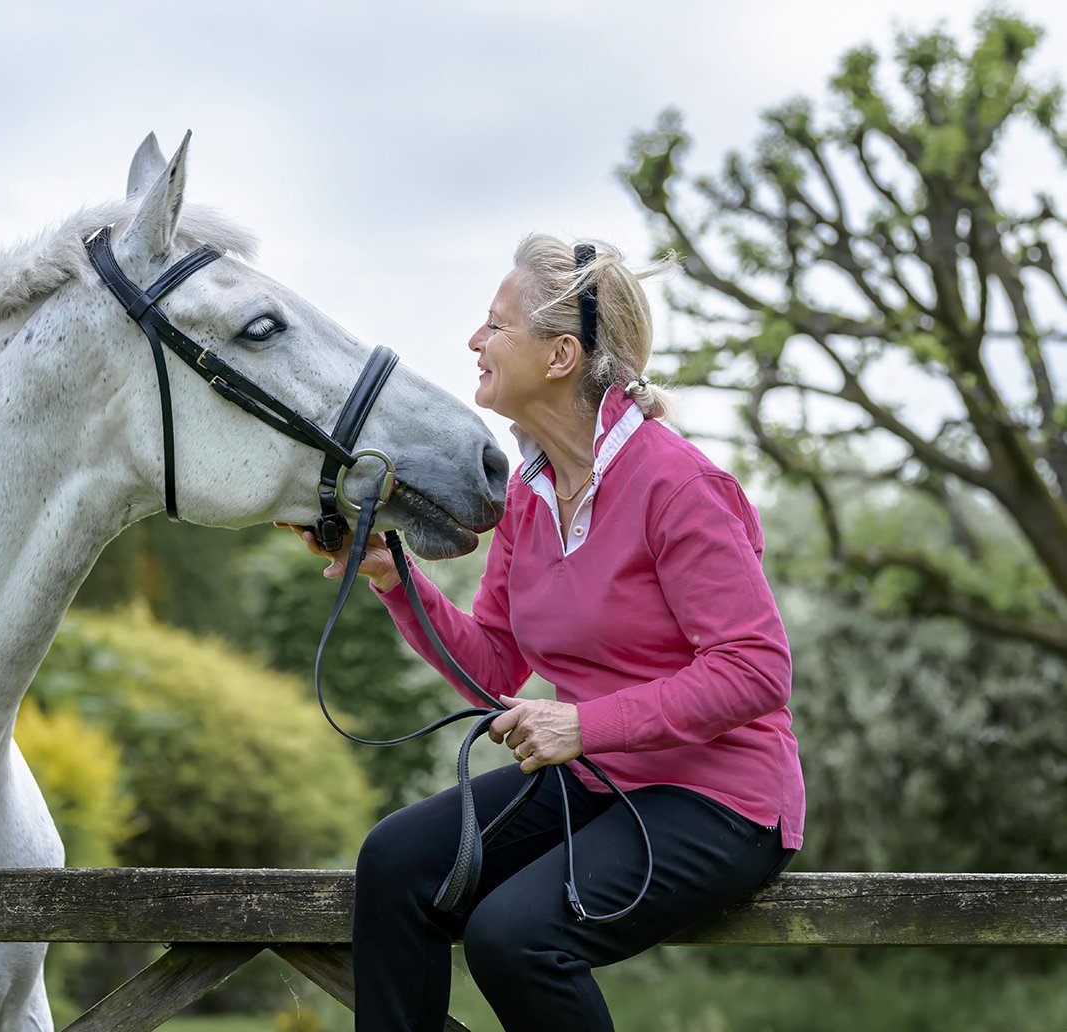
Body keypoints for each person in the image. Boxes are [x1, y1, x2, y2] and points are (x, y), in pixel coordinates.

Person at [285, 235, 804, 1031]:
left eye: (496, 325)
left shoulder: (679, 486)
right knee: (394, 864)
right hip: (597, 782)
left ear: (561, 356)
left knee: (516, 936)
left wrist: (584, 725)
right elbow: (495, 662)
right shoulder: (530, 496)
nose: (475, 341)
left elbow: (756, 669)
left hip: (720, 801)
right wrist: (397, 580)